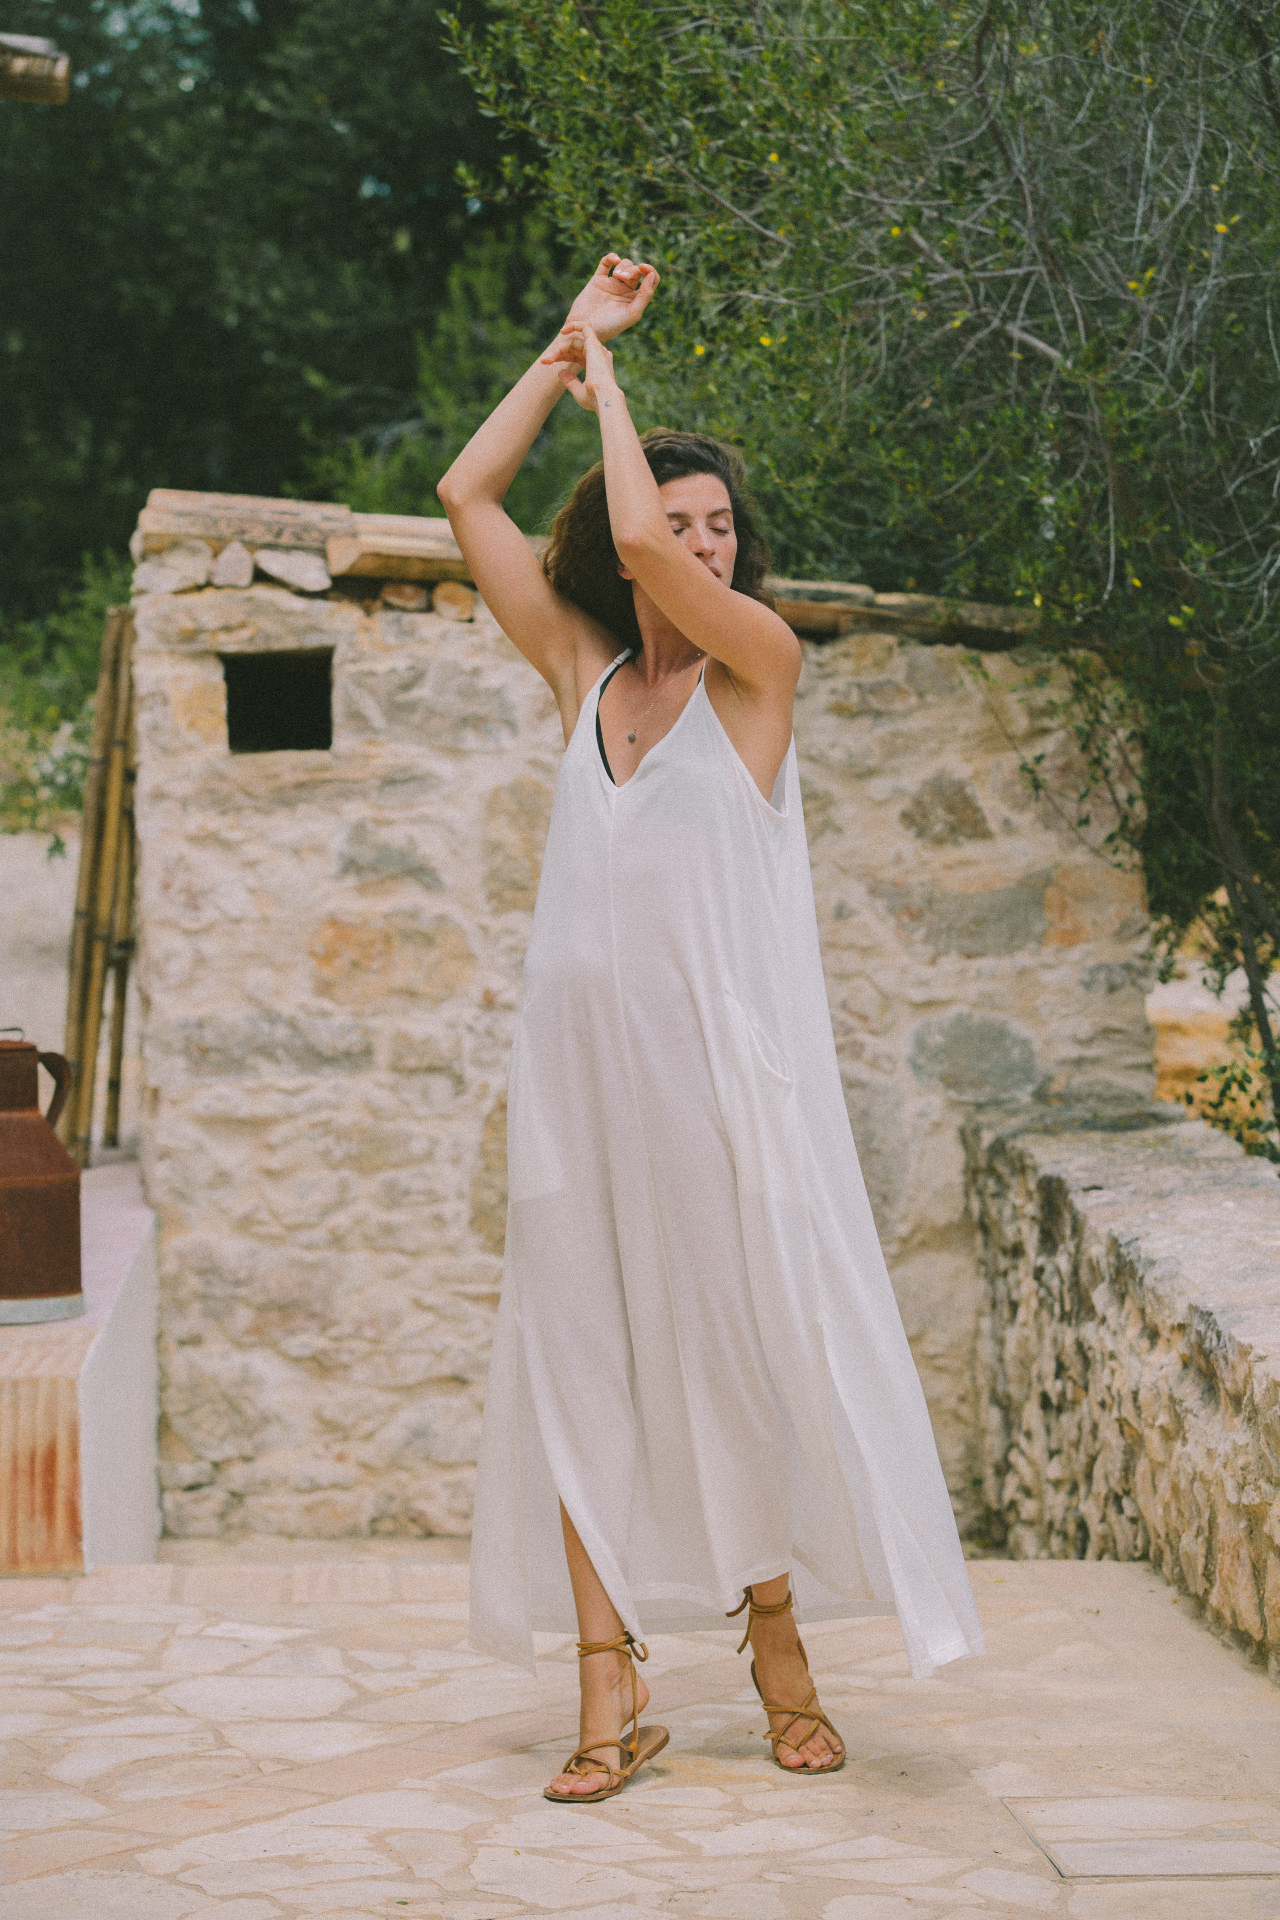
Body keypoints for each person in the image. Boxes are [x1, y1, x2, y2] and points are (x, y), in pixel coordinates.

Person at [437, 252, 984, 1805]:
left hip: (711, 1089)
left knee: (734, 1356)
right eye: (678, 527)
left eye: (716, 527)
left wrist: (619, 384)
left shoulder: (761, 672)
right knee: (577, 1357)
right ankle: (607, 1688)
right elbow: (469, 498)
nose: (692, 542)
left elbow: (612, 524)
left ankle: (776, 1639)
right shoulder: (582, 669)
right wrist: (558, 359)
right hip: (574, 1084)